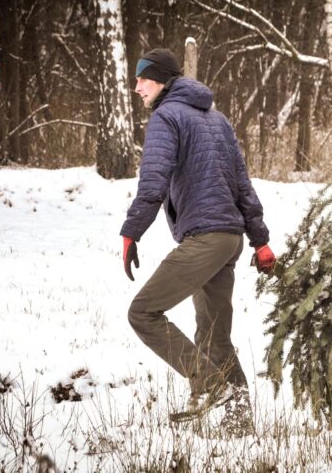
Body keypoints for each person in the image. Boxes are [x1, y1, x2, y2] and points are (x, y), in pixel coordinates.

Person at [119, 48, 276, 436]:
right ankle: (240, 424)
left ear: (163, 81)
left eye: (144, 79)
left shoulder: (166, 117)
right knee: (215, 336)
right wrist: (259, 241)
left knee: (143, 313)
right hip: (229, 239)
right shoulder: (217, 119)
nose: (137, 87)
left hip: (205, 239)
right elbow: (243, 186)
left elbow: (153, 183)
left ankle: (210, 385)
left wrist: (131, 231)